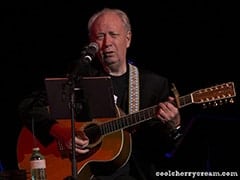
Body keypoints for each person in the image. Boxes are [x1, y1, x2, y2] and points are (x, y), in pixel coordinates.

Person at [18, 8, 182, 180]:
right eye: (100, 36)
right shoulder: (80, 77)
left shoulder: (153, 85)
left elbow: (166, 150)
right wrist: (61, 132)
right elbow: (28, 106)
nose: (107, 43)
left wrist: (174, 126)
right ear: (91, 43)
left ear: (128, 39)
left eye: (113, 34)